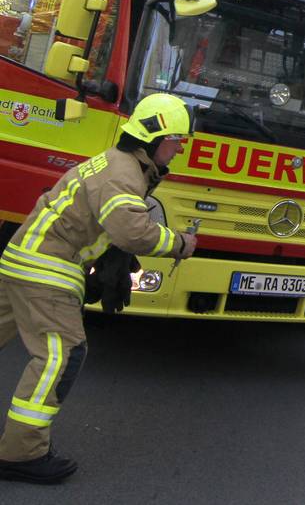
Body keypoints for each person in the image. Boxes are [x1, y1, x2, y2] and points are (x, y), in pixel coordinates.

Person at [0, 93, 199, 484]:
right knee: (62, 354)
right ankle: (20, 454)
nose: (179, 150)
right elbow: (131, 230)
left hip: (24, 258)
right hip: (47, 268)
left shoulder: (115, 163)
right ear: (155, 137)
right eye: (178, 141)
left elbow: (102, 225)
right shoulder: (123, 173)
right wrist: (179, 244)